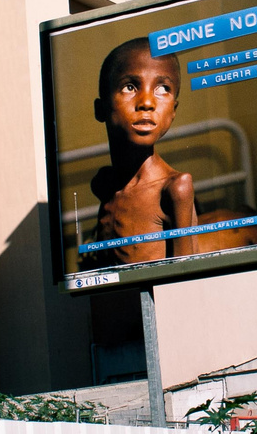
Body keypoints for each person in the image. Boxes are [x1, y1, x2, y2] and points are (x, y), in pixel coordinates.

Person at [82, 37, 197, 266]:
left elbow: (186, 283)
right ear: (100, 109)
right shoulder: (104, 184)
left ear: (173, 110)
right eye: (129, 87)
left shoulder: (175, 188)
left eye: (163, 89)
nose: (146, 102)